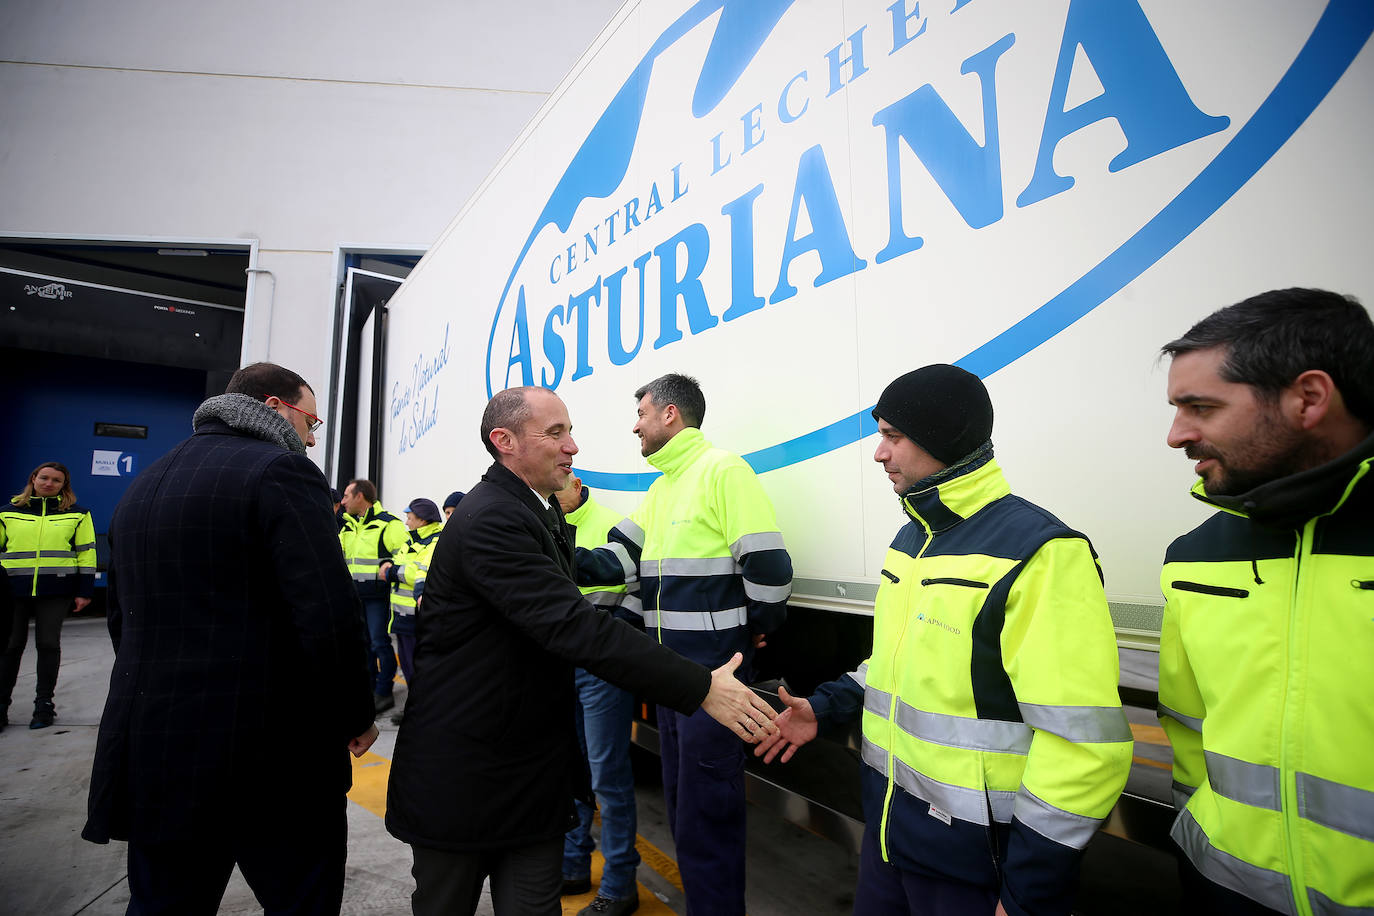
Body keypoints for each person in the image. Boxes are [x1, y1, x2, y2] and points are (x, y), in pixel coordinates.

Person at [384, 385, 778, 916]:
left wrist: (753, 636)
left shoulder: (536, 510)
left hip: (525, 778)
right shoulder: (496, 519)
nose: (573, 447)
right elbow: (576, 624)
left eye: (568, 431)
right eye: (556, 433)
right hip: (472, 778)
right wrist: (701, 685)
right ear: (505, 441)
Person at [755, 364, 1132, 916]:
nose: (879, 455)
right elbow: (893, 663)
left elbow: (1082, 746)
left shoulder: (1043, 552)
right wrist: (824, 707)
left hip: (975, 867)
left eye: (892, 436)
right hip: (889, 841)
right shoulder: (910, 539)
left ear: (942, 437)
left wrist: (1028, 891)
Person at [81, 361, 378, 914]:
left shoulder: (144, 484)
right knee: (301, 900)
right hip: (269, 757)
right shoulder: (280, 471)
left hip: (158, 752)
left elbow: (123, 620)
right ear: (272, 408)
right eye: (310, 421)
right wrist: (353, 713)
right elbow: (326, 612)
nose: (312, 438)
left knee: (164, 904)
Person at [1156, 289, 1374, 916]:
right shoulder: (1194, 556)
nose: (1176, 436)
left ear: (1308, 398)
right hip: (1222, 891)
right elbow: (1190, 732)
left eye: (1200, 407)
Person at [578, 373, 793, 916]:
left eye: (643, 414)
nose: (636, 425)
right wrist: (554, 551)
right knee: (685, 816)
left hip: (714, 687)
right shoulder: (662, 489)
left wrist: (755, 631)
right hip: (676, 684)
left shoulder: (722, 471)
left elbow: (769, 565)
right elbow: (615, 563)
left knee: (708, 823)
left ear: (670, 415)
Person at [556, 475, 643, 916]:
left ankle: (620, 883)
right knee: (568, 768)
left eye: (556, 491)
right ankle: (573, 866)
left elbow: (638, 595)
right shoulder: (542, 522)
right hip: (555, 664)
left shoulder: (613, 525)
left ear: (576, 483)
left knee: (607, 775)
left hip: (600, 668)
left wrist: (608, 640)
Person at [0, 461, 95, 730]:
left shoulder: (77, 514)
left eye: (56, 480)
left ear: (64, 485)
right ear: (34, 478)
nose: (49, 483)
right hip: (12, 590)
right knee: (9, 647)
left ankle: (44, 705)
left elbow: (86, 553)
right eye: (44, 478)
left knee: (48, 645)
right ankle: (1, 705)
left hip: (56, 590)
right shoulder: (8, 513)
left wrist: (84, 590)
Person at [339, 477, 409, 713]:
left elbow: (404, 554)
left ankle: (383, 692)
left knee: (379, 642)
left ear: (360, 496)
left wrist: (389, 563)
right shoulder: (348, 526)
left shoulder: (389, 524)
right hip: (354, 596)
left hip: (377, 597)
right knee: (364, 644)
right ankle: (369, 689)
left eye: (347, 495)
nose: (343, 501)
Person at [378, 497, 444, 725]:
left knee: (419, 667)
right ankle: (416, 708)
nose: (406, 522)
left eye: (410, 517)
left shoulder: (434, 541)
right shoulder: (411, 541)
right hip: (402, 615)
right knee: (407, 666)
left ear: (422, 519)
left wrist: (392, 571)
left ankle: (421, 712)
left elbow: (418, 574)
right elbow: (406, 567)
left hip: (416, 618)